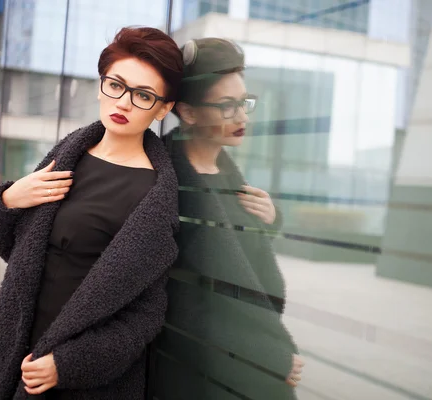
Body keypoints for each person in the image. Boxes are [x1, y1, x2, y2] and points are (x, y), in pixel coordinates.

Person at [0, 27, 182, 400]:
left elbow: (144, 318)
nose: (124, 102)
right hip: (9, 352)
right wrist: (8, 201)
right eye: (116, 85)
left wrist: (68, 364)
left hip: (82, 381)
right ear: (101, 86)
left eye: (143, 95)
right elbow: (15, 253)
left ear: (163, 108)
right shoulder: (66, 157)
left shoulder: (154, 199)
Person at [158, 38, 303, 400]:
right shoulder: (166, 184)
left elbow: (236, 265)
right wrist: (267, 357)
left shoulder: (226, 175)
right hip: (199, 375)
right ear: (189, 112)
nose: (242, 117)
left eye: (244, 103)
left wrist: (268, 221)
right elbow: (179, 302)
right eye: (227, 106)